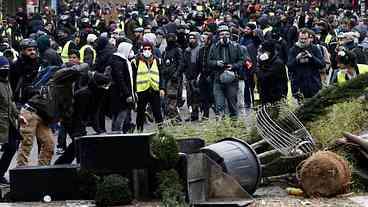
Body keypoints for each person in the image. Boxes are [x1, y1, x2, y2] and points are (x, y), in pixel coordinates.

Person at [208, 25, 245, 118]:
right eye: (222, 34)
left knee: (232, 104)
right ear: (218, 35)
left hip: (232, 79)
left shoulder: (236, 46)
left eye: (227, 34)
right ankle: (221, 126)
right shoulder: (214, 47)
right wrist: (216, 63)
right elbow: (209, 61)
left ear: (230, 35)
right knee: (219, 105)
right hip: (218, 79)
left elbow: (242, 60)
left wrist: (233, 66)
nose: (224, 36)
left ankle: (234, 125)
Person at [0, 56, 25, 183]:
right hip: (1, 122)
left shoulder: (6, 82)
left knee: (12, 146)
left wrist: (17, 115)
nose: (5, 70)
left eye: (6, 68)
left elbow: (10, 102)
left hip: (7, 121)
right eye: (2, 68)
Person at [287, 28, 325, 102]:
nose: (303, 41)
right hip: (298, 86)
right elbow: (289, 66)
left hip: (313, 85)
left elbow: (322, 64)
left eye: (305, 39)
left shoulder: (314, 48)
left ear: (309, 38)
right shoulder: (293, 50)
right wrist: (297, 59)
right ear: (298, 38)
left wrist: (311, 57)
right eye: (301, 39)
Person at [132, 41, 163, 132]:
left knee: (157, 112)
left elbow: (161, 75)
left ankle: (161, 131)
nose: (147, 51)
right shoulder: (136, 61)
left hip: (154, 89)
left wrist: (162, 88)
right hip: (141, 90)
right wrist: (134, 91)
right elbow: (133, 77)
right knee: (140, 113)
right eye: (145, 49)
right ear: (142, 50)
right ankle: (139, 131)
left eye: (149, 49)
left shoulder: (157, 60)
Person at [109, 42, 136, 133]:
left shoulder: (119, 60)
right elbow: (121, 80)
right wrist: (127, 94)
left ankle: (118, 132)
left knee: (118, 115)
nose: (131, 52)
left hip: (118, 93)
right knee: (121, 114)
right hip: (120, 95)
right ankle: (117, 133)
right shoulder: (119, 62)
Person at [255, 40, 288, 105]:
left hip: (275, 96)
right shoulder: (267, 61)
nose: (259, 54)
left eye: (261, 51)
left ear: (268, 52)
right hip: (266, 94)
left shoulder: (277, 63)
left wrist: (260, 63)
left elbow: (264, 76)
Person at [183, 32, 201, 121]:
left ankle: (199, 114)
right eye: (190, 38)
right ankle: (192, 114)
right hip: (189, 77)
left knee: (197, 97)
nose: (191, 40)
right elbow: (184, 64)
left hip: (197, 77)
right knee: (190, 97)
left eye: (193, 38)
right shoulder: (187, 50)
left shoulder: (200, 49)